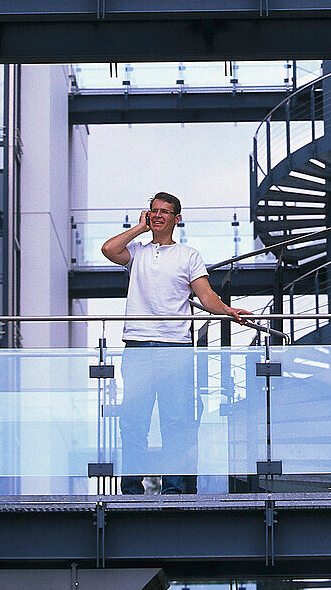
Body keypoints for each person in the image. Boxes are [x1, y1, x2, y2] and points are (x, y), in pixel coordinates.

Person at [101, 191, 252, 495]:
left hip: (176, 348)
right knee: (132, 423)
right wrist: (139, 228)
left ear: (176, 218)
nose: (157, 216)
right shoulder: (137, 252)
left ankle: (173, 489)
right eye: (153, 211)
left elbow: (206, 296)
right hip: (138, 347)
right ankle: (131, 490)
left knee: (176, 423)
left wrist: (228, 311)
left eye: (164, 212)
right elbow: (108, 248)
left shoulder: (188, 255)